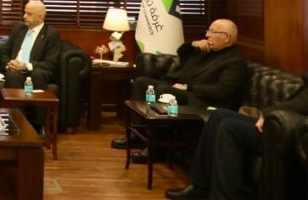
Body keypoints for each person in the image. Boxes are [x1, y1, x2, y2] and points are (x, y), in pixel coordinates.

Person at [111, 19, 249, 162]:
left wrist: (189, 88)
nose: (208, 35)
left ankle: (157, 148)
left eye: (213, 32)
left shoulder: (235, 62)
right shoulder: (206, 49)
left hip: (199, 99)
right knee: (141, 83)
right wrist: (192, 44)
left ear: (226, 37)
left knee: (164, 91)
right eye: (209, 31)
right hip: (179, 87)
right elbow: (181, 53)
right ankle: (137, 136)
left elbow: (222, 91)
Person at [165, 84, 308, 200]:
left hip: (291, 133)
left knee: (229, 127)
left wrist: (267, 114)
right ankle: (200, 186)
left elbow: (301, 104)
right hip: (278, 122)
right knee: (218, 115)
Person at [0, 0, 61, 129]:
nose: (24, 16)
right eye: (25, 12)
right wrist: (9, 64)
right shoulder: (19, 29)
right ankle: (18, 124)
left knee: (38, 74)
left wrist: (25, 66)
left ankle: (39, 125)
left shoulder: (51, 34)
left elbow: (50, 63)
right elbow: (4, 51)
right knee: (13, 75)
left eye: (29, 14)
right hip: (15, 69)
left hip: (37, 70)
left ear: (40, 17)